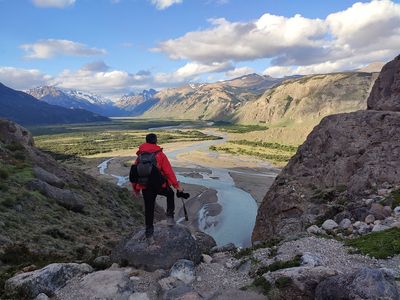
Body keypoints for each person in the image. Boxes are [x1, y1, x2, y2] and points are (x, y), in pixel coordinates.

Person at [131, 133, 183, 244]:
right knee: (170, 194)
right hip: (159, 185)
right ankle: (170, 218)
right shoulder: (160, 154)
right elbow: (169, 172)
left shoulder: (140, 156)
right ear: (155, 141)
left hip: (145, 186)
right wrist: (177, 186)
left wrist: (136, 189)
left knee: (149, 210)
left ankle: (149, 235)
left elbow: (136, 173)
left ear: (146, 141)